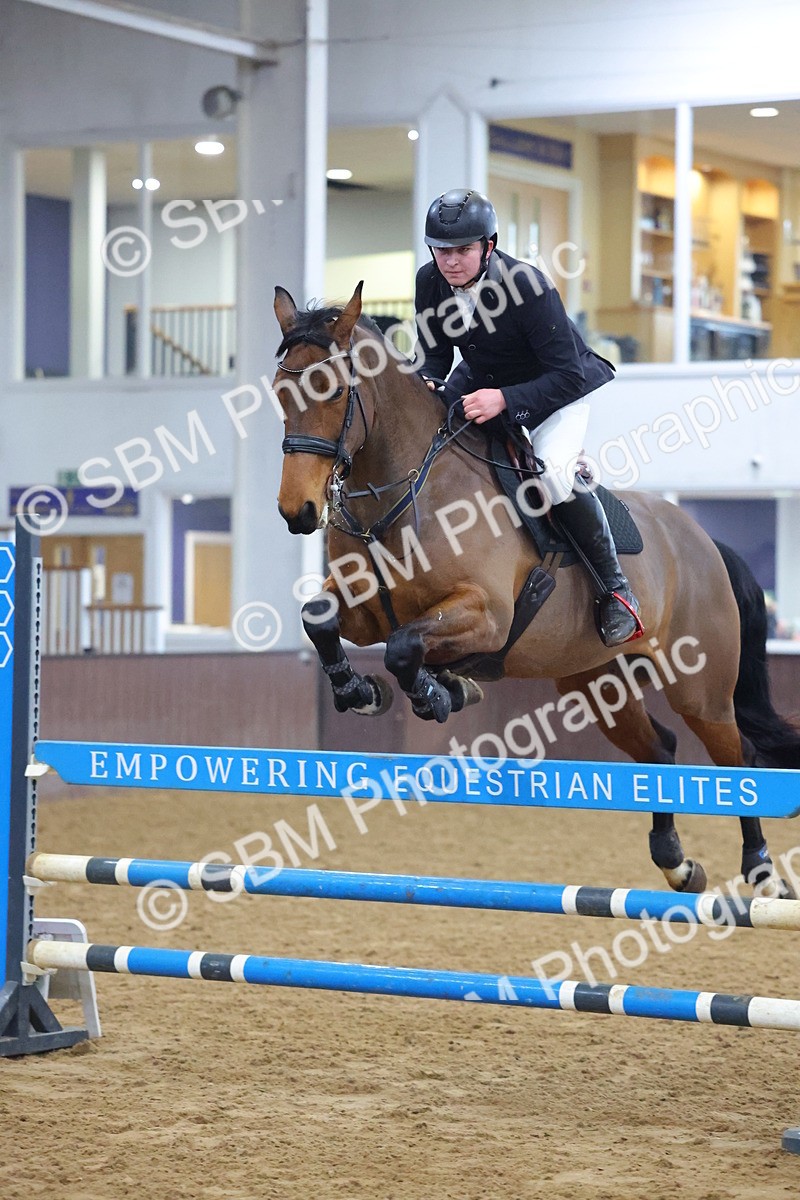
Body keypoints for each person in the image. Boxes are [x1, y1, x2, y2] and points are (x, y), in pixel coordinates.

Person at [415, 187, 642, 648]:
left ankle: (616, 589)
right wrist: (428, 384)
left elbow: (566, 374)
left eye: (463, 250)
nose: (450, 261)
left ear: (489, 246)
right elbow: (435, 357)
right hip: (483, 381)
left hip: (556, 389)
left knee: (553, 476)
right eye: (441, 250)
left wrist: (503, 400)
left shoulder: (527, 286)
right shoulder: (429, 281)